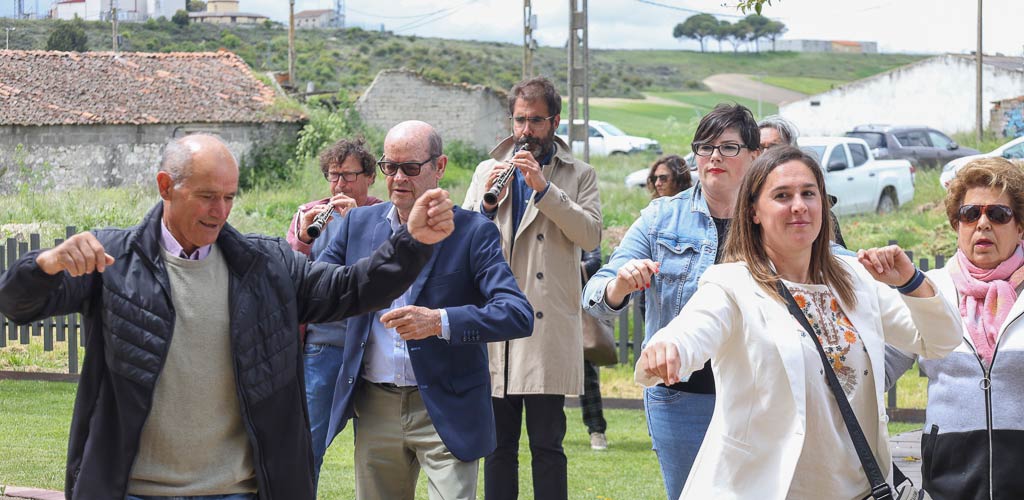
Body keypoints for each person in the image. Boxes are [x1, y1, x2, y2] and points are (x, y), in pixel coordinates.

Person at [0, 134, 456, 500]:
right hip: (133, 489)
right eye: (206, 196)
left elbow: (350, 288)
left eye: (229, 197)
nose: (220, 211)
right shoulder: (112, 260)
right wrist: (43, 267)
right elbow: (17, 305)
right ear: (165, 186)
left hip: (237, 490)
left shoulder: (266, 265)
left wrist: (411, 243)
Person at [637, 145, 962, 499]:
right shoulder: (732, 283)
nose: (799, 206)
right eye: (782, 196)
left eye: (809, 193)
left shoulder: (855, 278)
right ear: (753, 211)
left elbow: (940, 340)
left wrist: (911, 282)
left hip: (859, 490)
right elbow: (695, 328)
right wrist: (669, 347)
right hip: (766, 490)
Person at [319, 120, 534, 500]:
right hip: (376, 404)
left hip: (447, 406)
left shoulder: (473, 232)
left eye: (411, 168)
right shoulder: (357, 225)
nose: (399, 178)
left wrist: (440, 322)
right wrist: (302, 244)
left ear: (440, 166)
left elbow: (517, 313)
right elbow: (319, 288)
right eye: (390, 167)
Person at [582, 103, 760, 499]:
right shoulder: (660, 218)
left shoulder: (772, 217)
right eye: (705, 147)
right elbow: (595, 292)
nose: (715, 156)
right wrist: (619, 286)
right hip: (680, 398)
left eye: (729, 147)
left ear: (753, 155)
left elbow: (828, 261)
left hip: (757, 396)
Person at [463, 76, 602, 500]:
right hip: (497, 325)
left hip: (546, 331)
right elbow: (462, 240)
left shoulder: (580, 174)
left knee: (547, 447)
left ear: (555, 122)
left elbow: (591, 235)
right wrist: (487, 205)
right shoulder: (486, 170)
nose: (526, 131)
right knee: (497, 448)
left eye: (536, 121)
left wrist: (545, 189)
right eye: (520, 120)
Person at [885, 157, 1024, 499]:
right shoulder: (927, 292)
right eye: (970, 214)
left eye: (998, 214)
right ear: (956, 224)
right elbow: (871, 375)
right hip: (947, 486)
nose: (983, 224)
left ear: (1020, 226)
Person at [284, 137, 384, 490]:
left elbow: (382, 272)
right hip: (324, 346)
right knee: (307, 445)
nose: (340, 185)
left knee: (376, 454)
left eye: (349, 176)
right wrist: (302, 237)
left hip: (373, 347)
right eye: (333, 175)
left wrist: (356, 221)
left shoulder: (384, 214)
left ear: (370, 176)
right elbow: (288, 275)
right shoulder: (310, 213)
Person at [758, 114, 848, 249]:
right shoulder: (734, 205)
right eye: (759, 147)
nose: (764, 154)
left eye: (773, 147)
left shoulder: (818, 213)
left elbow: (838, 255)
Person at [580, 246, 609, 451]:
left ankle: (597, 431)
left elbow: (594, 263)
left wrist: (561, 265)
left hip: (577, 315)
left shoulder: (581, 232)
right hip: (548, 314)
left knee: (586, 375)